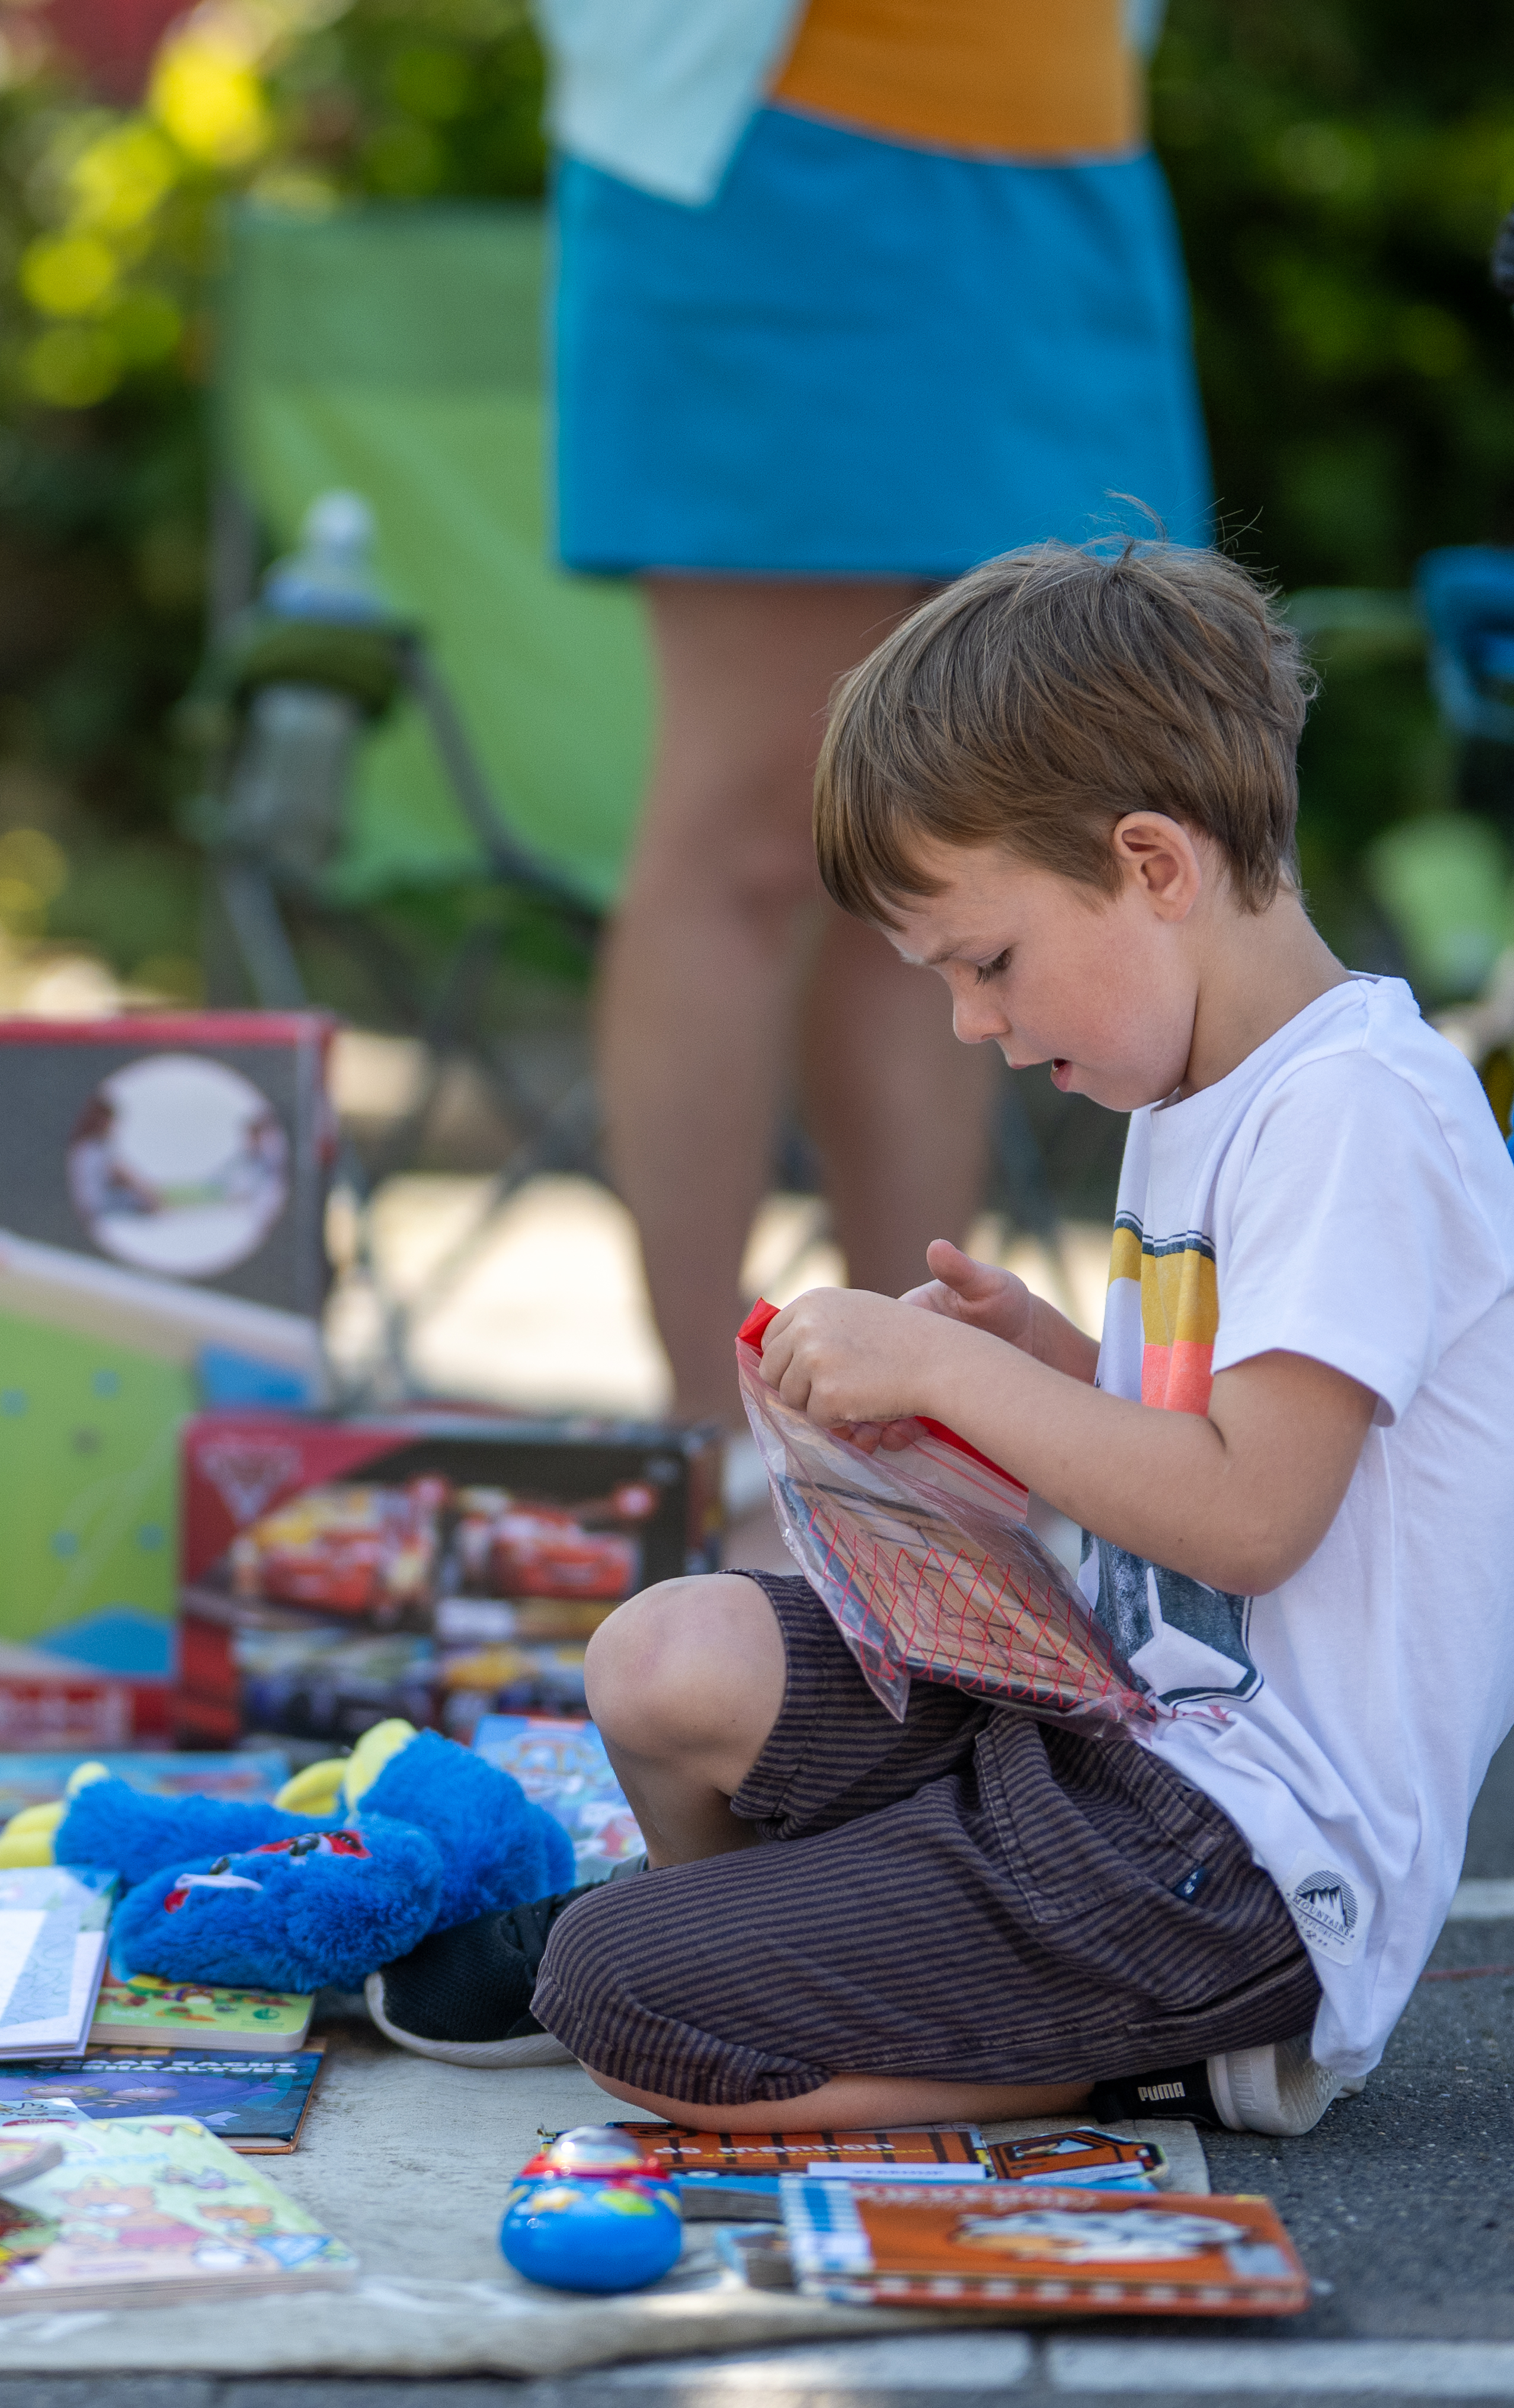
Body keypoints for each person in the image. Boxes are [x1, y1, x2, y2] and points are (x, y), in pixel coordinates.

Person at [370, 539, 1514, 2139]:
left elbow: (1253, 1514)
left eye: (984, 962)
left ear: (1153, 862)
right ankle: (832, 1948)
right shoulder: (1204, 1075)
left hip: (1234, 1855)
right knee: (661, 1664)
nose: (972, 1024)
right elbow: (1228, 1442)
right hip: (1109, 1720)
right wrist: (1061, 1367)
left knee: (621, 2011)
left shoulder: (1348, 1110)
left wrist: (957, 1373)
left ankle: (1132, 2049)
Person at [542, 0, 1214, 1424]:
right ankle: (705, 1440)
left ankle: (905, 1440)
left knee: (973, 841)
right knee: (750, 830)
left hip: (1065, 169)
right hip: (771, 162)